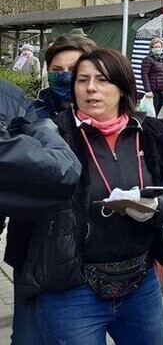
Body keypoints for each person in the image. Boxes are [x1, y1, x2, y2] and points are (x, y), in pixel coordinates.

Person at [26, 48, 163, 344]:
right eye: (82, 80)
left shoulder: (152, 133)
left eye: (102, 80)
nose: (90, 88)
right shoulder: (53, 135)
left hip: (141, 284)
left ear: (123, 87)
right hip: (73, 290)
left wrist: (154, 206)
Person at [0, 79, 82, 345]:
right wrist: (45, 130)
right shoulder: (34, 112)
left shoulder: (10, 96)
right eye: (58, 69)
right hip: (33, 257)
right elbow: (62, 170)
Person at [34, 33, 97, 120]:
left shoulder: (109, 116)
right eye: (57, 70)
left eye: (74, 69)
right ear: (48, 70)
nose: (65, 78)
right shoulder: (30, 115)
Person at [140, 37, 163, 118]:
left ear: (162, 47)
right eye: (155, 47)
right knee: (151, 113)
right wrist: (148, 90)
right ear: (151, 48)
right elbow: (144, 75)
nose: (157, 49)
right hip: (153, 91)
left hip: (162, 90)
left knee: (156, 112)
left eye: (159, 47)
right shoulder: (148, 60)